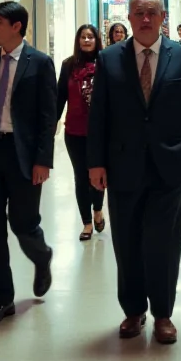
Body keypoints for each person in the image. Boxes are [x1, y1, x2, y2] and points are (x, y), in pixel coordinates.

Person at [87, 0, 181, 345]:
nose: (146, 19)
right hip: (123, 165)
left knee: (164, 242)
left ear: (163, 16)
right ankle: (133, 310)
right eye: (139, 12)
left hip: (169, 164)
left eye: (152, 12)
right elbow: (99, 116)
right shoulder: (109, 59)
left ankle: (164, 314)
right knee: (127, 241)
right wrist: (95, 163)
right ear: (130, 17)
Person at [0, 2, 56, 328]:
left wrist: (43, 160)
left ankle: (41, 255)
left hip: (25, 155)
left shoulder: (41, 63)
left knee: (23, 223)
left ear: (17, 26)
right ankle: (2, 298)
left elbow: (48, 117)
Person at [57, 24, 105, 241]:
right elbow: (59, 96)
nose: (86, 40)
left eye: (90, 37)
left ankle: (98, 210)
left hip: (100, 131)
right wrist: (52, 123)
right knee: (80, 176)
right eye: (83, 37)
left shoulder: (105, 62)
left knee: (99, 173)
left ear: (96, 40)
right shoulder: (68, 65)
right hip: (75, 131)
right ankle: (86, 222)